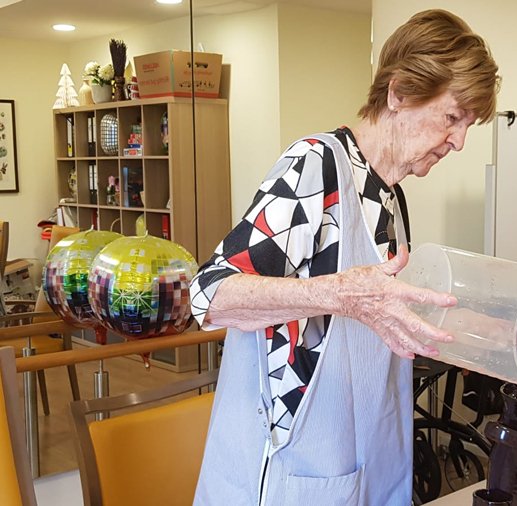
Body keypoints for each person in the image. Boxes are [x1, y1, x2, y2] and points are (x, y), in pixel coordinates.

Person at [188, 10, 499, 505]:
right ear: (399, 93)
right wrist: (335, 294)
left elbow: (376, 319)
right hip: (290, 474)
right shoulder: (315, 167)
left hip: (363, 461)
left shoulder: (390, 198)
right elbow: (208, 294)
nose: (460, 141)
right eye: (453, 117)